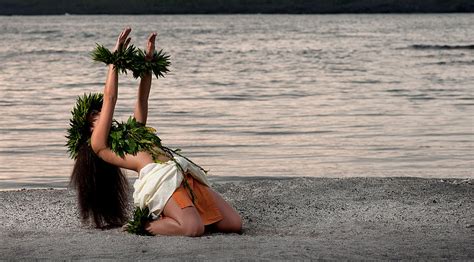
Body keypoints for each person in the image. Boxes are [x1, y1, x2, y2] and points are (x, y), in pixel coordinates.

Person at [70, 27, 242, 236]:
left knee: (233, 224)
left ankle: (177, 214)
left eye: (98, 112)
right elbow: (110, 99)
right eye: (93, 117)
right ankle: (142, 225)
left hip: (180, 171)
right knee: (193, 228)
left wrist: (148, 61)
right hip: (159, 181)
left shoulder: (135, 133)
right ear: (89, 130)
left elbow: (142, 99)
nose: (100, 114)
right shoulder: (101, 146)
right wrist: (114, 60)